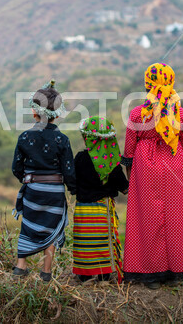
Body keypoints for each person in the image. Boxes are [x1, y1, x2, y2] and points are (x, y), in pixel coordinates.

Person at [121, 63, 183, 289]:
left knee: (146, 218)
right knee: (173, 218)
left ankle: (149, 274)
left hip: (145, 165)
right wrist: (182, 168)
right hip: (174, 163)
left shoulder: (138, 113)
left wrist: (130, 172)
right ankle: (173, 274)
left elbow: (129, 146)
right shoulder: (180, 112)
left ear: (147, 84)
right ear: (171, 82)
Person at [12, 80, 76, 282]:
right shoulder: (62, 140)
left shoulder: (24, 137)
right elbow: (69, 172)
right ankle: (46, 272)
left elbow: (16, 167)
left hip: (32, 190)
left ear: (34, 112)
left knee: (28, 224)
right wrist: (73, 189)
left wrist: (28, 180)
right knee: (52, 227)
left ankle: (20, 266)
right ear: (57, 114)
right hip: (54, 192)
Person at [72, 116, 128, 283]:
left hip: (83, 209)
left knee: (85, 242)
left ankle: (84, 274)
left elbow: (72, 181)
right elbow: (125, 188)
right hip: (103, 209)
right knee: (104, 242)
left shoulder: (80, 158)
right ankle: (104, 275)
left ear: (87, 138)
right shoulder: (112, 162)